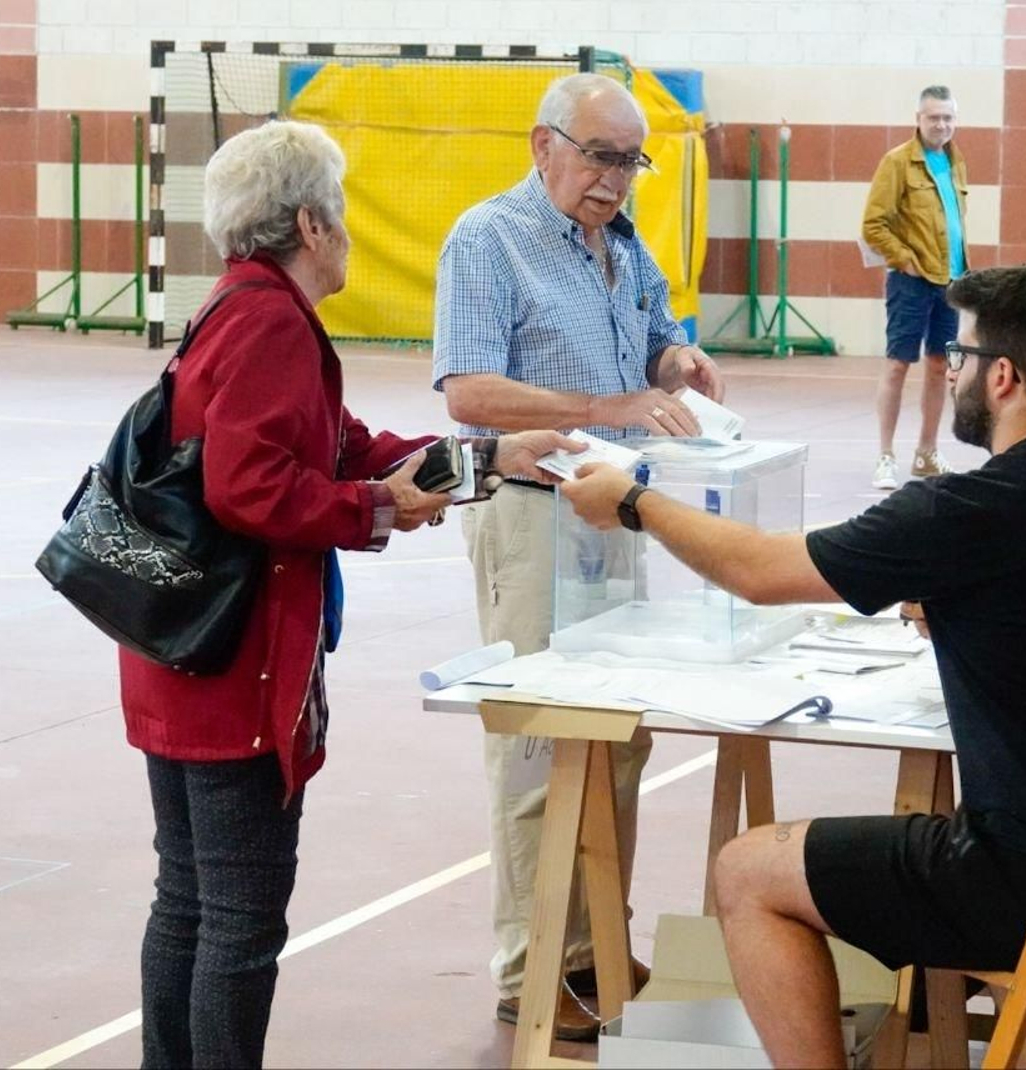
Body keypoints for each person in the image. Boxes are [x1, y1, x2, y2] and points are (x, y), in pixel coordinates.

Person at [561, 265, 1026, 1068]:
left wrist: (634, 501)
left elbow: (761, 572)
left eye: (960, 353)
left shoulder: (970, 511)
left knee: (746, 873)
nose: (950, 371)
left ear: (1004, 376)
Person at [119, 121, 575, 1067]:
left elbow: (343, 444)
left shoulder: (238, 307)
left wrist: (483, 461)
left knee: (192, 898)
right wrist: (374, 508)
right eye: (342, 214)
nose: (350, 232)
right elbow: (248, 487)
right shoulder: (272, 323)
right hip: (233, 657)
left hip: (185, 651)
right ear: (308, 224)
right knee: (238, 918)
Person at [432, 72, 725, 1041]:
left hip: (615, 514)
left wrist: (674, 364)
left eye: (630, 161)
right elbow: (468, 394)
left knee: (618, 737)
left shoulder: (625, 245)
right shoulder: (487, 240)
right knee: (534, 747)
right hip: (527, 514)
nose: (614, 179)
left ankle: (595, 942)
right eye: (598, 156)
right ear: (541, 145)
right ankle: (530, 969)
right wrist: (605, 409)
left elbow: (650, 344)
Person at [861, 85, 968, 489]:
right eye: (933, 117)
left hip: (950, 282)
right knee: (897, 364)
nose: (941, 124)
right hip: (910, 281)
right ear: (918, 119)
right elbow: (873, 223)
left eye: (948, 117)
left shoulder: (956, 162)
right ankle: (885, 455)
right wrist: (904, 258)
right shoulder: (898, 163)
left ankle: (926, 452)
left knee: (940, 366)